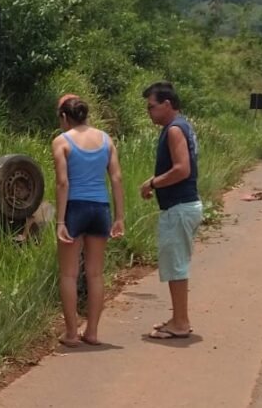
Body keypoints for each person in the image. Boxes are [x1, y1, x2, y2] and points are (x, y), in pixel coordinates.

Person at [52, 94, 125, 347]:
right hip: (100, 208)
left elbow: (63, 183)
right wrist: (119, 217)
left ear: (64, 116)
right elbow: (116, 179)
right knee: (95, 274)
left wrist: (60, 222)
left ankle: (72, 333)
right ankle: (92, 331)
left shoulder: (62, 141)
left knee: (69, 275)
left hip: (75, 208)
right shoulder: (106, 140)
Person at [139, 81, 204, 339]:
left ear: (167, 104)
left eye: (151, 107)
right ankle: (179, 318)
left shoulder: (175, 130)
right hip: (182, 206)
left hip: (179, 207)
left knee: (176, 266)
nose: (149, 112)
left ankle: (180, 323)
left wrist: (153, 182)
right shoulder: (180, 126)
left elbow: (182, 169)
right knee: (176, 264)